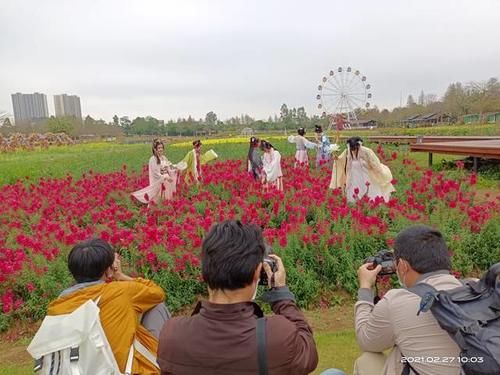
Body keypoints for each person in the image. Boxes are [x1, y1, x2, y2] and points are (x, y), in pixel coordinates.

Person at [157, 220, 318, 375]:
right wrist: (281, 294)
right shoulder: (277, 337)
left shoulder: (172, 336)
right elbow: (308, 350)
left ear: (204, 270)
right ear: (257, 271)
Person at [47, 238, 169, 374]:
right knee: (157, 307)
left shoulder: (57, 306)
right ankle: (167, 365)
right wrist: (119, 275)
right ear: (108, 270)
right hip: (126, 371)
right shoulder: (121, 291)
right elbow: (157, 293)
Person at [353, 225, 462, 375]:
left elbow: (367, 341)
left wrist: (365, 288)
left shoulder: (397, 301)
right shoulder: (477, 290)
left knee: (368, 360)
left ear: (403, 266)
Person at [329, 136, 395, 203]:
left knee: (367, 186)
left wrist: (376, 169)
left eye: (354, 148)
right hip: (352, 174)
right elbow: (341, 158)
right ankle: (353, 201)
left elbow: (374, 161)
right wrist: (336, 158)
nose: (353, 150)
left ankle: (370, 201)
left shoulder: (366, 151)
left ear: (358, 145)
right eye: (351, 148)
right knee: (352, 186)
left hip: (364, 172)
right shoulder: (348, 150)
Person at [132, 139, 178, 204]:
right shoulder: (153, 159)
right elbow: (156, 174)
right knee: (157, 201)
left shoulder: (164, 158)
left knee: (166, 201)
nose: (161, 149)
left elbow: (169, 167)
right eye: (159, 148)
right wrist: (165, 177)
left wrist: (175, 168)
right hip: (158, 183)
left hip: (166, 183)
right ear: (155, 149)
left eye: (162, 147)